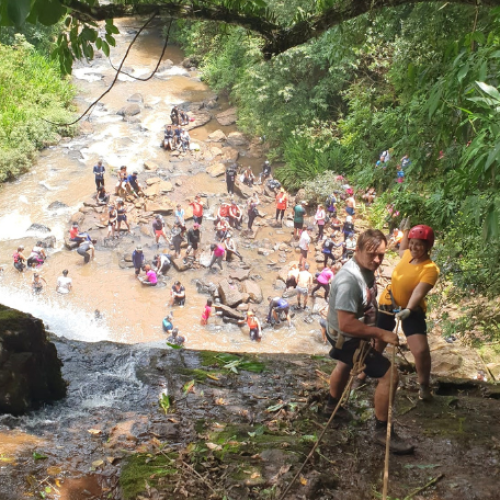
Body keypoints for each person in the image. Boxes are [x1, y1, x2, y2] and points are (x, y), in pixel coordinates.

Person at [326, 228, 414, 454]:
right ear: (357, 250)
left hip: (342, 334)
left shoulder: (363, 269)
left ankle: (331, 406)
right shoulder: (348, 281)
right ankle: (381, 432)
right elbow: (347, 324)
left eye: (381, 255)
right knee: (390, 374)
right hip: (346, 337)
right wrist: (380, 334)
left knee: (344, 364)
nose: (377, 260)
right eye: (371, 254)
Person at [377, 224, 439, 402]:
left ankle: (424, 385)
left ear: (428, 246)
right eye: (412, 243)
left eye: (419, 244)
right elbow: (403, 246)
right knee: (378, 342)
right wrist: (406, 230)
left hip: (411, 309)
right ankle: (363, 374)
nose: (413, 247)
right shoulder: (406, 255)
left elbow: (419, 292)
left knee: (420, 350)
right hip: (389, 303)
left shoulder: (430, 269)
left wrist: (409, 309)